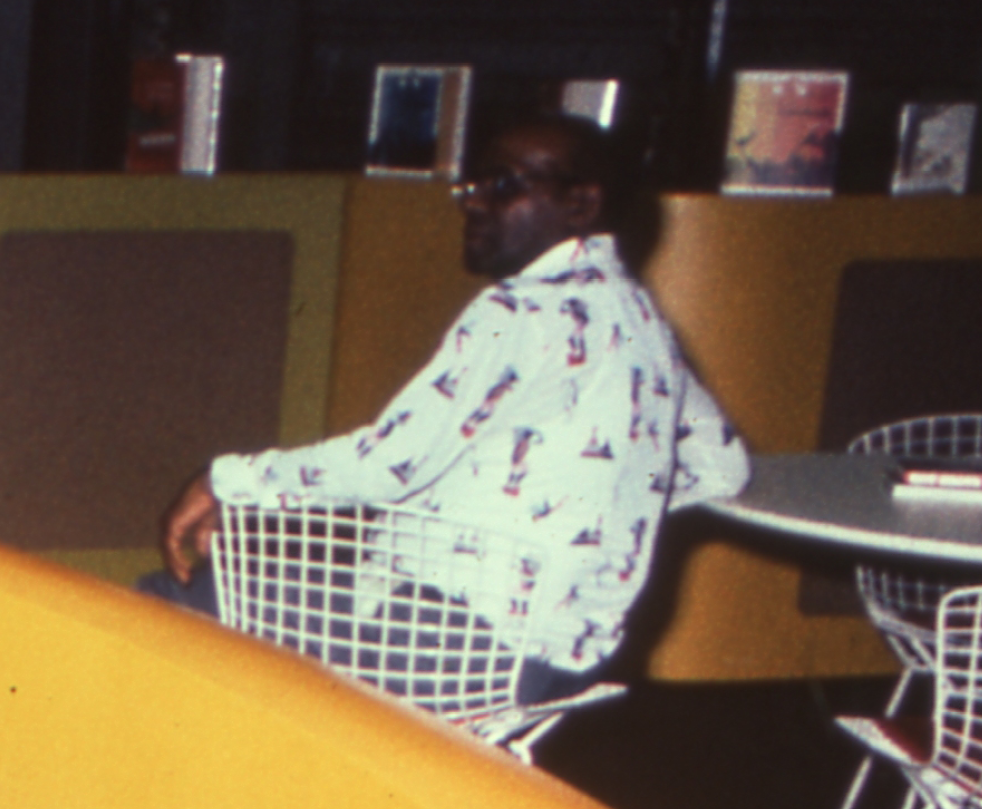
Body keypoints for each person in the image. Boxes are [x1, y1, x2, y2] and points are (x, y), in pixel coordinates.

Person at [152, 114, 751, 688]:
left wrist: (223, 481)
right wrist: (592, 512)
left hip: (449, 647)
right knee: (245, 604)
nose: (472, 202)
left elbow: (388, 464)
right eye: (471, 185)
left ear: (582, 205)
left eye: (502, 186)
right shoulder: (641, 319)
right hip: (561, 660)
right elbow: (721, 466)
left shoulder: (517, 312)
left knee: (165, 604)